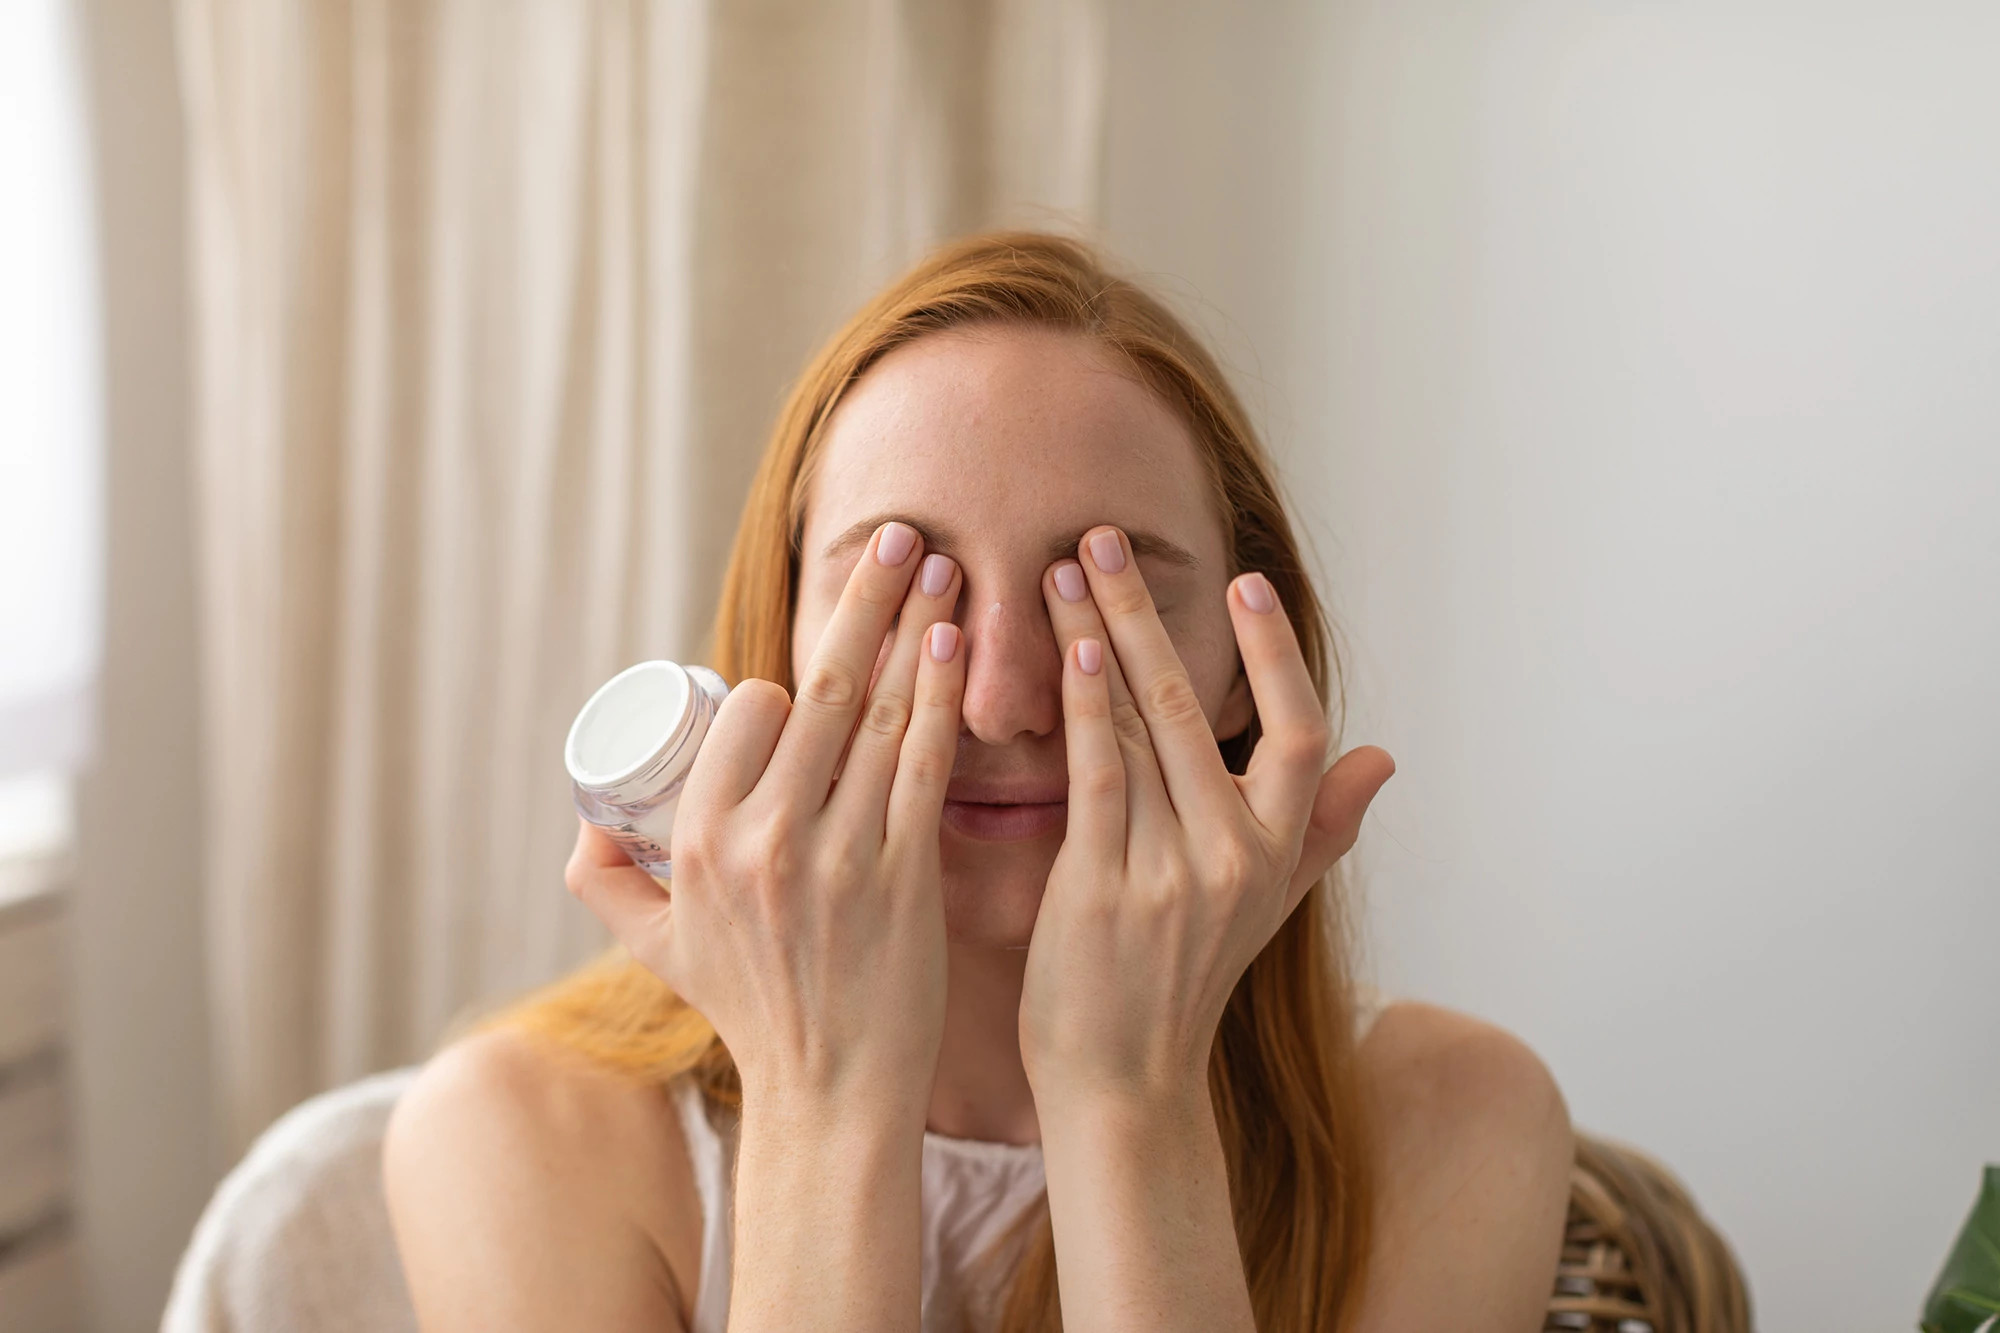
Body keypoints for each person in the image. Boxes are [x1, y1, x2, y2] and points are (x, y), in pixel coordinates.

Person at [383, 231, 1574, 1332]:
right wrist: (821, 1095)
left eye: (1101, 588)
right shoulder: (514, 1135)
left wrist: (1128, 1096)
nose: (1000, 701)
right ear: (781, 650)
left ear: (1238, 675)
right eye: (906, 587)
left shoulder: (1455, 1122)